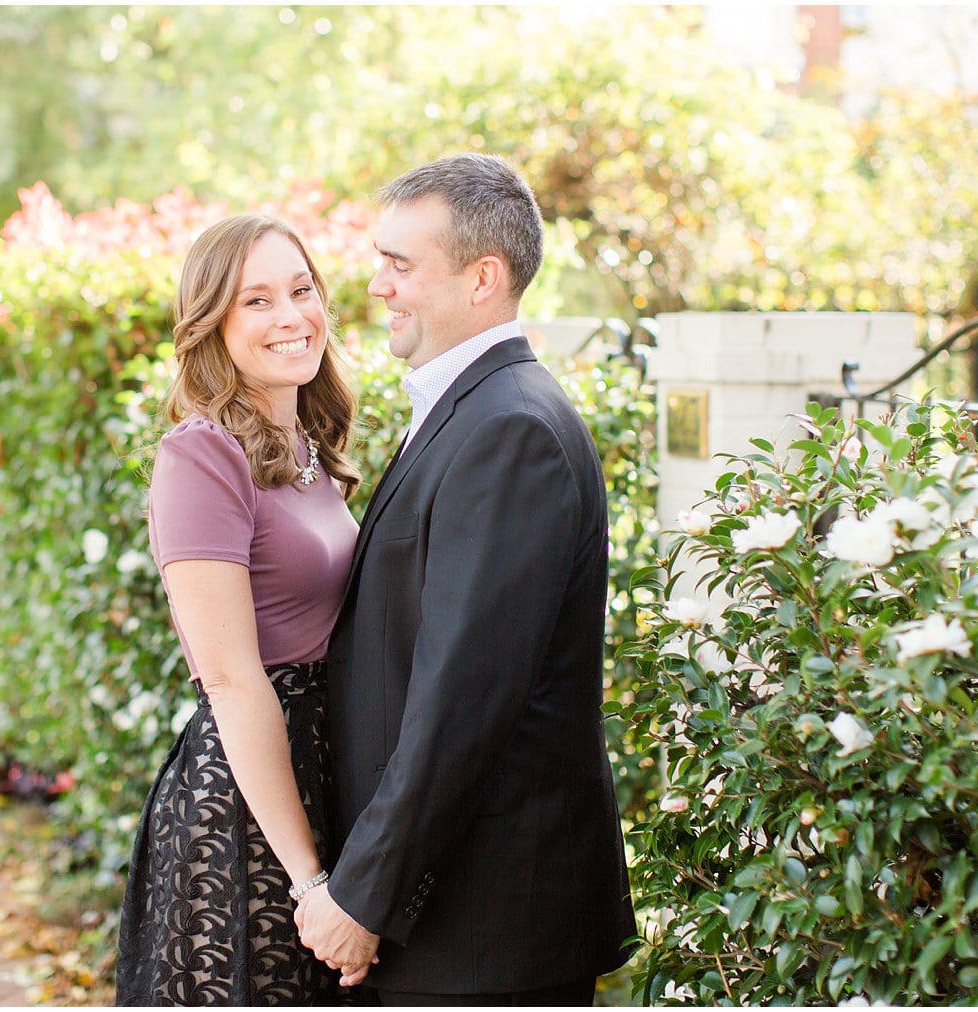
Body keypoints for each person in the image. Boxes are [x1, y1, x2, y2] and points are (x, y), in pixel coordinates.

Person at [295, 153, 637, 1006]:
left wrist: (364, 895)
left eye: (400, 264)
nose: (377, 286)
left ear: (483, 278)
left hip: (484, 928)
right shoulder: (472, 409)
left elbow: (462, 699)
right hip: (455, 917)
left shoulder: (509, 429)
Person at [116, 214, 362, 1006]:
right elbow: (229, 681)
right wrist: (308, 880)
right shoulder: (200, 456)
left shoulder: (308, 448)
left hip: (326, 777)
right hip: (250, 813)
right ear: (211, 327)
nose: (290, 316)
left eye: (300, 289)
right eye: (255, 301)